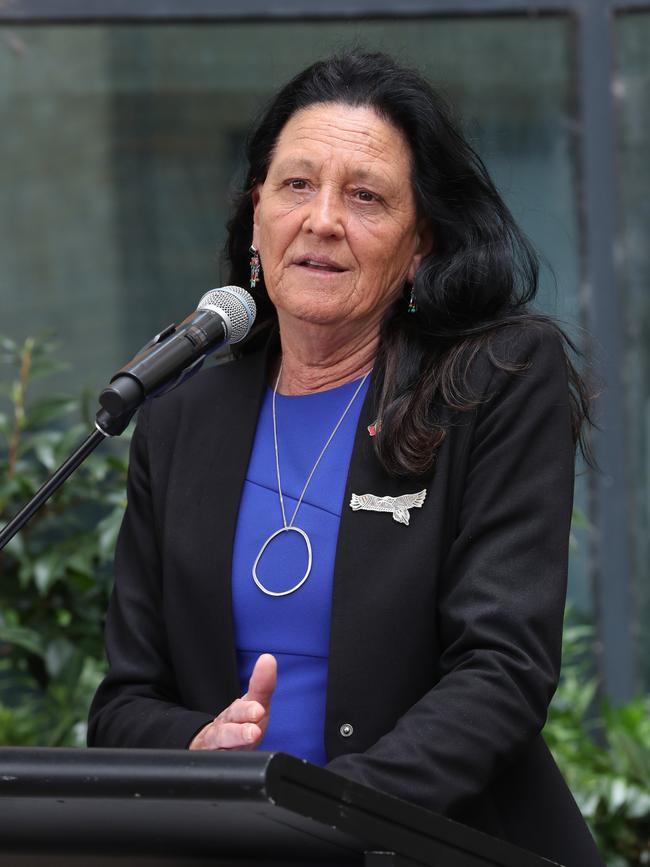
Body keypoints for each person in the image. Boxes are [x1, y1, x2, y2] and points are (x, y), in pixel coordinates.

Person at [88, 52, 604, 866]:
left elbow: (502, 668)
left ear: (421, 244)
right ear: (257, 215)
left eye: (365, 196)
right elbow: (123, 704)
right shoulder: (181, 420)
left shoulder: (494, 379)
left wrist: (326, 817)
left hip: (437, 847)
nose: (323, 219)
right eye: (296, 185)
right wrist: (197, 743)